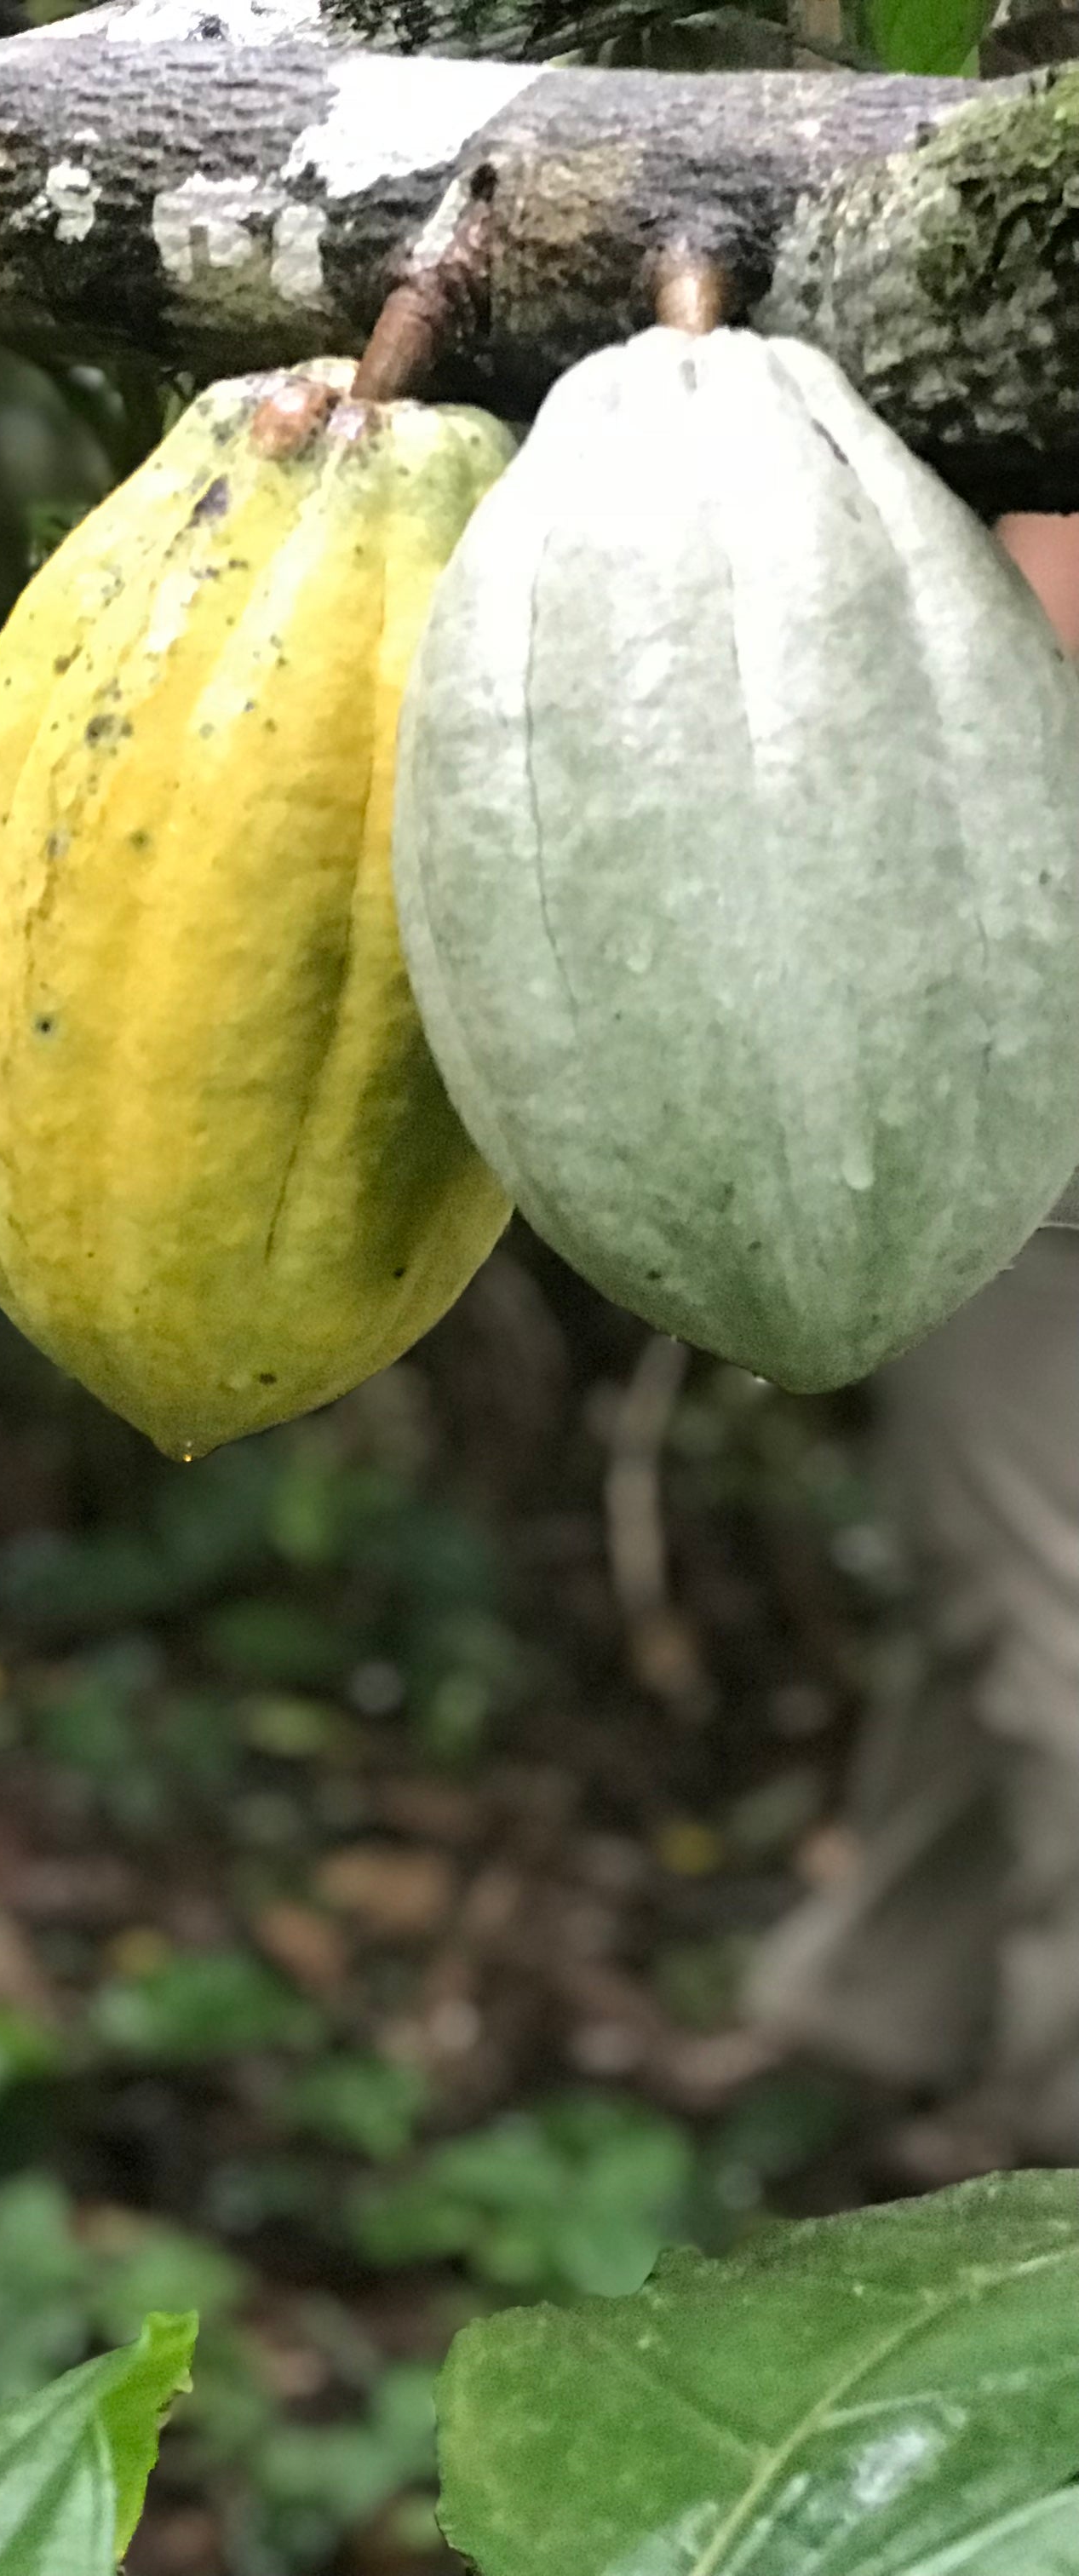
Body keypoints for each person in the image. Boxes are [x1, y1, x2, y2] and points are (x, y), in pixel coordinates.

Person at [746, 513, 1079, 2171]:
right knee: (1001, 1569)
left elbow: (1018, 653)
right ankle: (869, 2011)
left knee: (1042, 1604)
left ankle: (1043, 2144)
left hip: (1034, 1048)